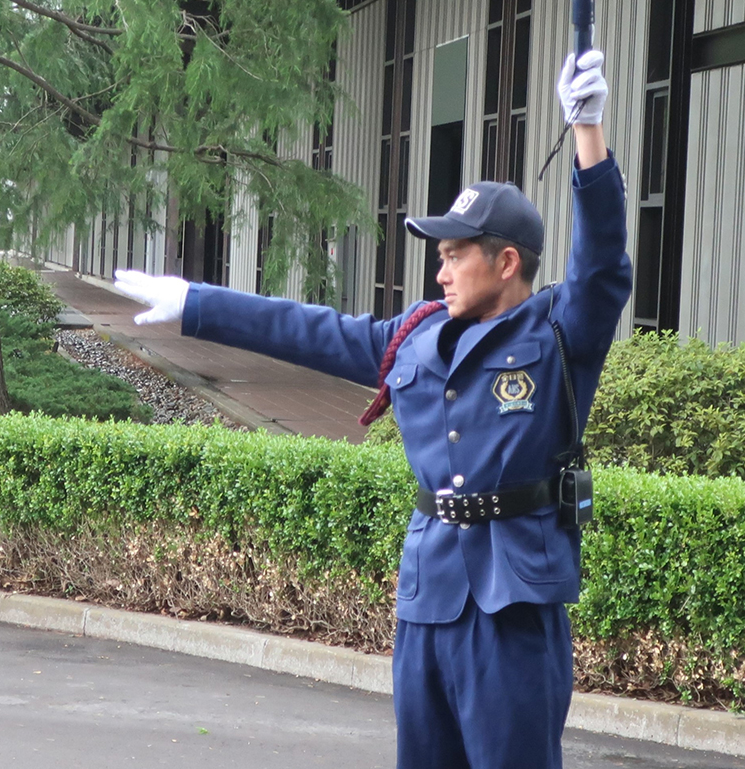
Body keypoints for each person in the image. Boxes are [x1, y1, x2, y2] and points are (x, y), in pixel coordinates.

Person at [114, 50, 631, 769]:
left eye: (455, 256)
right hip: (430, 595)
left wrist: (589, 134)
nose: (440, 271)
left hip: (513, 605)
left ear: (507, 261)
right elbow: (307, 330)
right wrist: (198, 304)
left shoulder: (557, 336)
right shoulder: (413, 337)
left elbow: (604, 263)